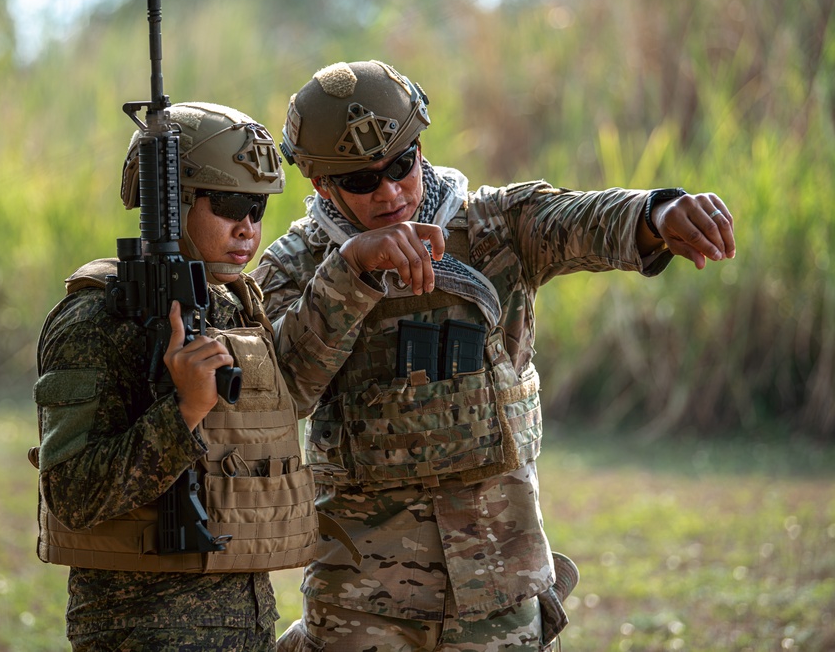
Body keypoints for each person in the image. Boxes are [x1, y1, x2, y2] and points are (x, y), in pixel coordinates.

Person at [251, 60, 737, 652]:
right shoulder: (294, 267)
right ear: (322, 185)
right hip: (360, 596)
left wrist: (657, 214)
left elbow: (577, 219)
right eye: (360, 181)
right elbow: (280, 395)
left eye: (401, 166)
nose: (390, 191)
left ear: (420, 149)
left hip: (498, 579)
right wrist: (350, 273)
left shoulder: (492, 227)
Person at [30, 102, 320, 651]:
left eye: (257, 208)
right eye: (231, 204)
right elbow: (71, 495)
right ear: (176, 201)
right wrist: (183, 411)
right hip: (143, 628)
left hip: (244, 621)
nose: (248, 229)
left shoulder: (229, 306)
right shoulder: (97, 320)